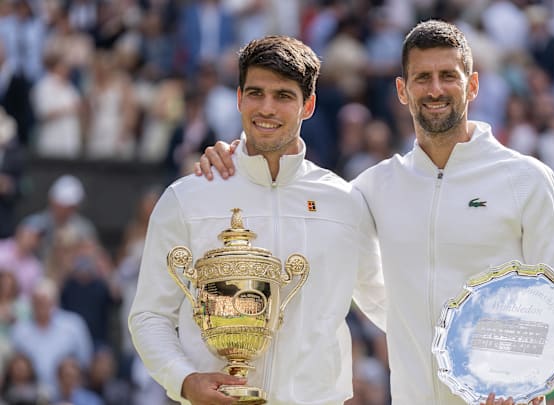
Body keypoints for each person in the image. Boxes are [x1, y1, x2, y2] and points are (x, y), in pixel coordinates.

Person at [197, 20, 554, 405]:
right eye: (422, 77)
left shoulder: (527, 178)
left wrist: (522, 383)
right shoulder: (372, 187)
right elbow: (293, 190)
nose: (436, 89)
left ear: (472, 85)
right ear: (402, 90)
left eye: (448, 76)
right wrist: (239, 159)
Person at [128, 35, 386, 405]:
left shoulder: (344, 202)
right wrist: (184, 380)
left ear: (308, 105)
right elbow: (150, 315)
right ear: (238, 98)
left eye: (283, 96)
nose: (266, 108)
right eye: (255, 93)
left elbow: (386, 305)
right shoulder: (186, 197)